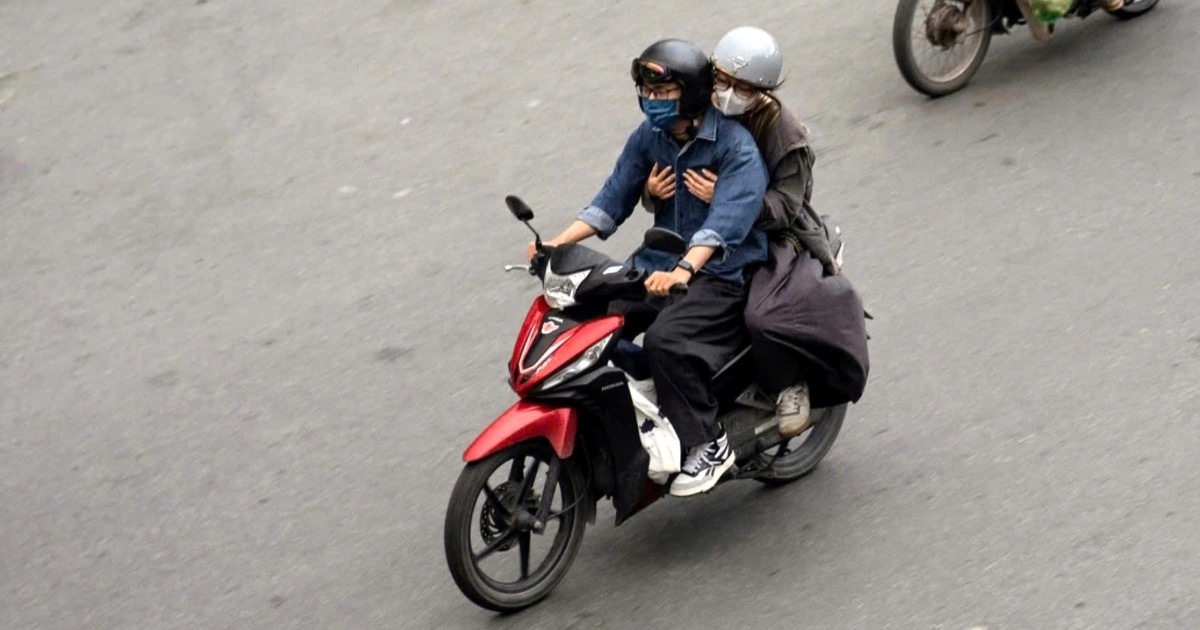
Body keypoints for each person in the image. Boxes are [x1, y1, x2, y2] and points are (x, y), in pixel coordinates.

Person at [528, 38, 769, 497]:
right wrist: (555, 243)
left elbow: (723, 227)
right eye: (648, 94)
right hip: (657, 262)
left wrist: (683, 272)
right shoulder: (650, 137)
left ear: (694, 93)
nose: (653, 103)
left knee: (666, 342)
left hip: (720, 274)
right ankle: (646, 405)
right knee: (589, 323)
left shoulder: (734, 149)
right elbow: (611, 199)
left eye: (664, 95)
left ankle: (708, 442)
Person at [644, 27, 869, 438]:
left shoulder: (785, 132)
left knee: (763, 316)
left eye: (742, 87)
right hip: (703, 230)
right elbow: (664, 163)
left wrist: (730, 198)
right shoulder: (694, 107)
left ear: (763, 90)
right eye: (723, 80)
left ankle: (788, 384)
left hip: (772, 236)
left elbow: (787, 206)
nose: (728, 92)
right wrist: (650, 190)